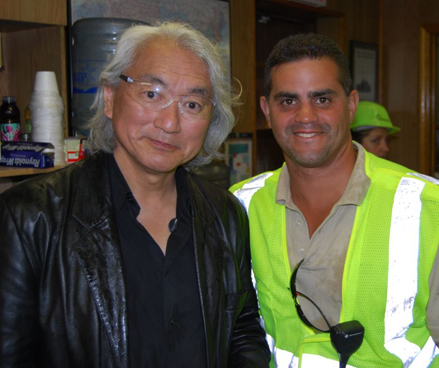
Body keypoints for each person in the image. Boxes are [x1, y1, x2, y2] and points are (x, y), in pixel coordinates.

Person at [0, 22, 269, 368]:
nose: (170, 123)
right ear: (110, 98)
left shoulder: (226, 214)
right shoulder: (30, 217)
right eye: (151, 94)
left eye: (191, 104)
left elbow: (241, 329)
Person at [230, 33, 439, 367]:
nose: (306, 116)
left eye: (323, 99)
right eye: (288, 101)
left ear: (352, 104)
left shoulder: (431, 210)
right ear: (267, 110)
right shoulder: (238, 208)